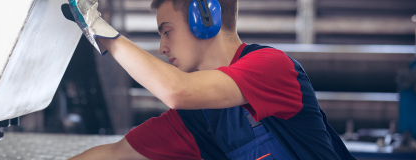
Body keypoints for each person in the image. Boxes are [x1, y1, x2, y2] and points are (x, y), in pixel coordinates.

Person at [62, 0, 356, 159]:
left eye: (167, 31)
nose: (163, 48)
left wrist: (101, 32)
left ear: (205, 17)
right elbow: (116, 154)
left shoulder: (272, 67)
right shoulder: (196, 118)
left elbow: (178, 91)